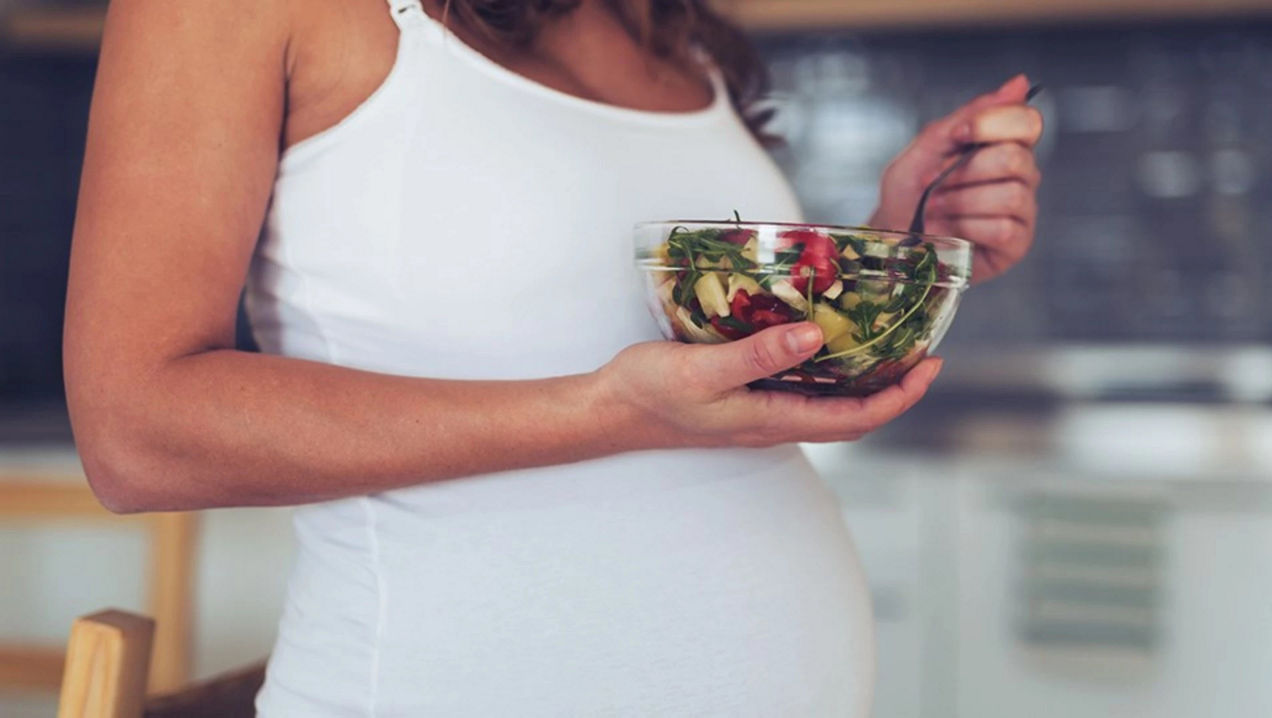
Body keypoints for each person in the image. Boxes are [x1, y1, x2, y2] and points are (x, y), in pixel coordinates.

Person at [64, 0, 1042, 714]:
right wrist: (609, 410)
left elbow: (678, 350)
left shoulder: (663, 27)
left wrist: (884, 249)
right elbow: (135, 430)